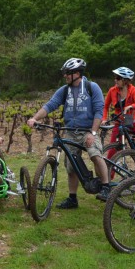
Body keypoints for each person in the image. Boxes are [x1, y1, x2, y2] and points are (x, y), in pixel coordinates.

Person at [27, 58, 109, 207]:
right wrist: (34, 118)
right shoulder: (65, 90)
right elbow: (50, 105)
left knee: (95, 154)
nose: (65, 76)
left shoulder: (92, 87)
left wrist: (93, 133)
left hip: (88, 131)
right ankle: (72, 198)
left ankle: (106, 187)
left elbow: (99, 111)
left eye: (67, 73)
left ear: (77, 73)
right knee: (71, 166)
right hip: (70, 131)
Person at [101, 66, 135, 161]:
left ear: (125, 80)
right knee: (113, 151)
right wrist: (104, 119)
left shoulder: (133, 90)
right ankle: (109, 175)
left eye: (118, 78)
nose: (115, 80)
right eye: (115, 78)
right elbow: (105, 106)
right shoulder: (112, 91)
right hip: (119, 122)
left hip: (134, 121)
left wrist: (130, 106)